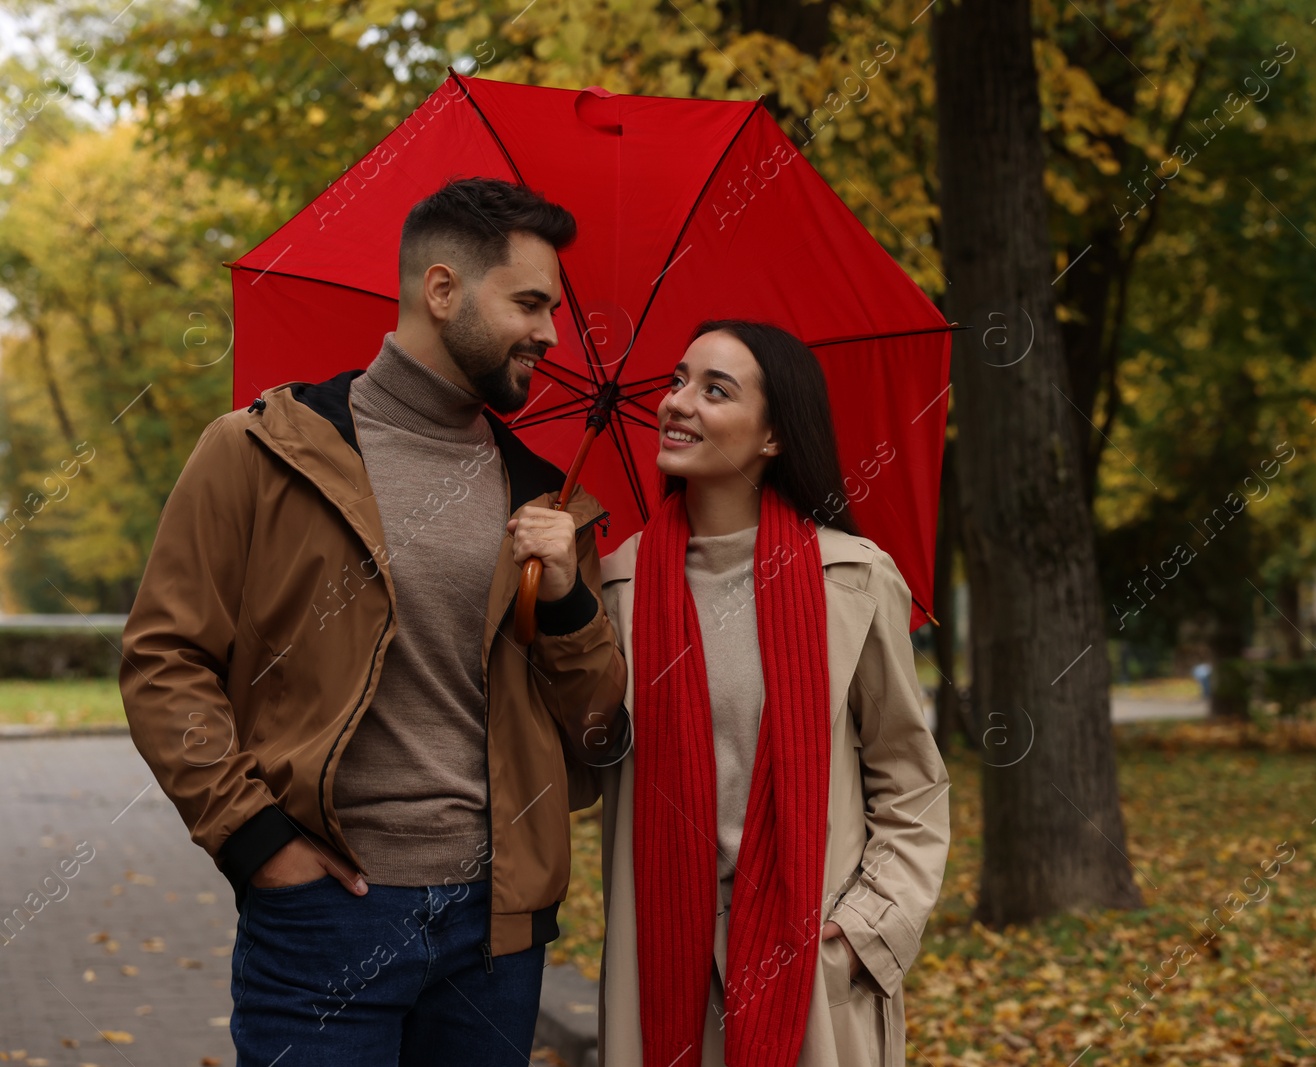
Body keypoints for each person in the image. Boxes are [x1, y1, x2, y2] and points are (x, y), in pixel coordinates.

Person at [119, 177, 626, 1066]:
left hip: (496, 930)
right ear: (442, 290)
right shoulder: (258, 450)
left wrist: (569, 599)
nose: (550, 333)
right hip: (325, 917)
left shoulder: (547, 494)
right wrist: (255, 839)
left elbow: (597, 729)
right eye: (531, 303)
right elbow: (165, 658)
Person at [578, 319, 950, 1067]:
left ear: (775, 437)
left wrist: (861, 933)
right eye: (677, 381)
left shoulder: (850, 580)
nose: (679, 402)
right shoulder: (615, 584)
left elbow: (910, 783)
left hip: (808, 973)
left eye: (715, 390)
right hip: (661, 970)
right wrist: (555, 602)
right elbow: (579, 765)